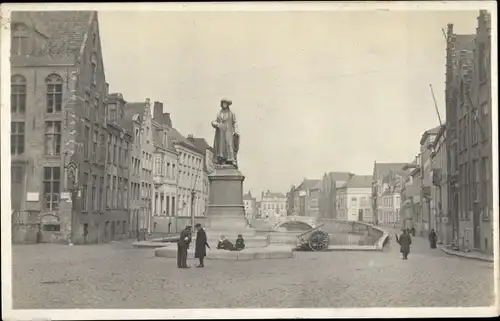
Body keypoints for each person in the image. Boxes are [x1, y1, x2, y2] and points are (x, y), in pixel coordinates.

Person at [211, 99, 240, 167]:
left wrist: (236, 130)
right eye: (223, 103)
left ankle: (230, 159)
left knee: (229, 145)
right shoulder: (219, 113)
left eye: (225, 103)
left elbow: (234, 122)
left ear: (227, 105)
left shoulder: (231, 113)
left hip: (228, 132)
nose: (224, 104)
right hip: (220, 133)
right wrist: (215, 124)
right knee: (221, 146)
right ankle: (222, 159)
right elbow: (214, 121)